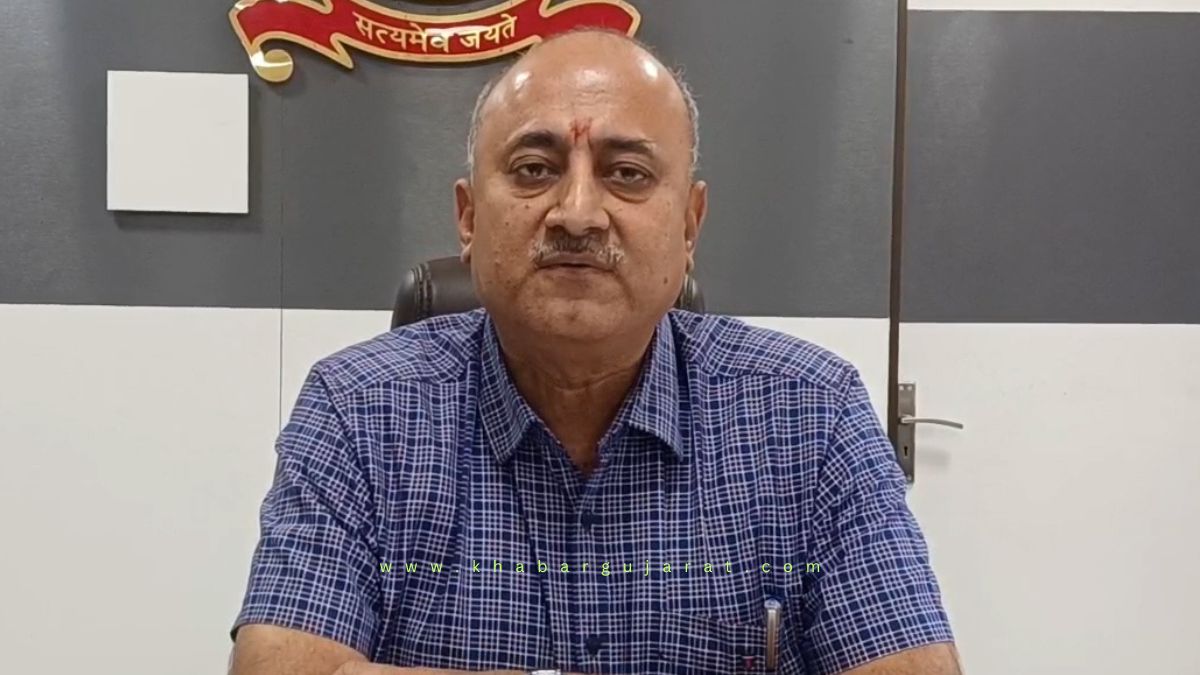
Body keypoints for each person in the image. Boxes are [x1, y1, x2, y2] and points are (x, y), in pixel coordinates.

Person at [229, 28, 960, 675]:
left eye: (627, 173)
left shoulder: (812, 415)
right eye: (534, 169)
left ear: (689, 226)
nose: (577, 213)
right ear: (468, 218)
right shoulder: (358, 411)